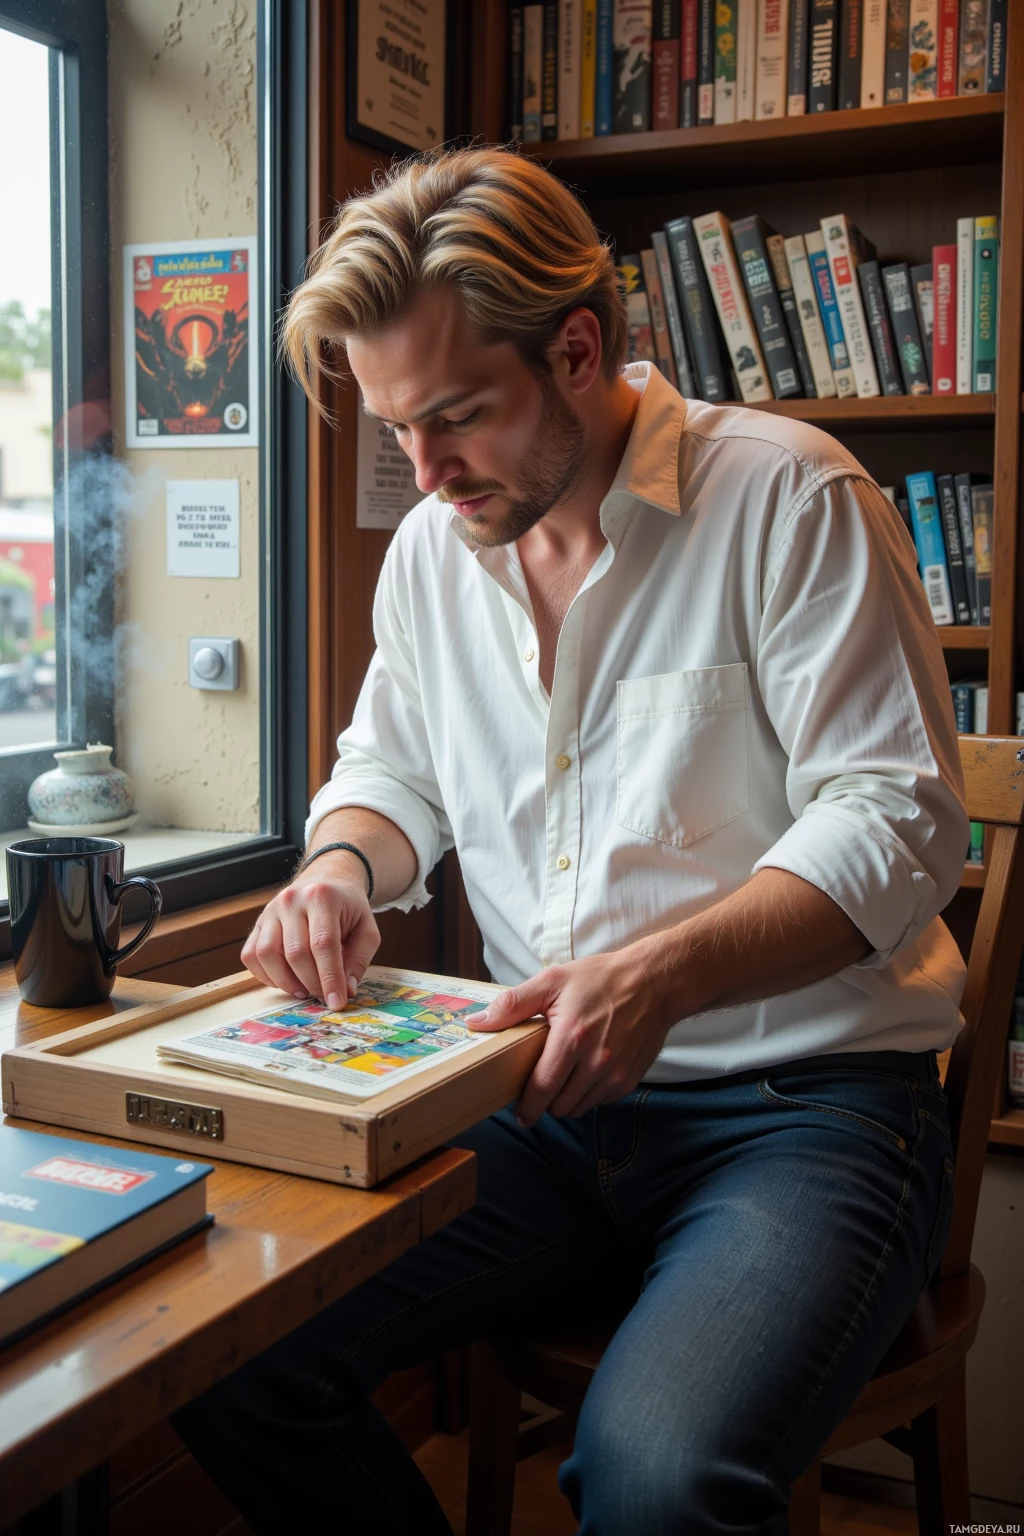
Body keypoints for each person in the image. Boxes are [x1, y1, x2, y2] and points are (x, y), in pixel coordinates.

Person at [173, 147, 967, 1534]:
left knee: (657, 1482)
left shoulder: (789, 499)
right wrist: (337, 871)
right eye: (395, 429)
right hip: (533, 1106)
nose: (424, 475)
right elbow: (389, 773)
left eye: (459, 417)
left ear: (581, 349)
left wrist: (660, 976)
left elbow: (898, 824)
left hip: (806, 1113)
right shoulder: (438, 548)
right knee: (222, 1353)